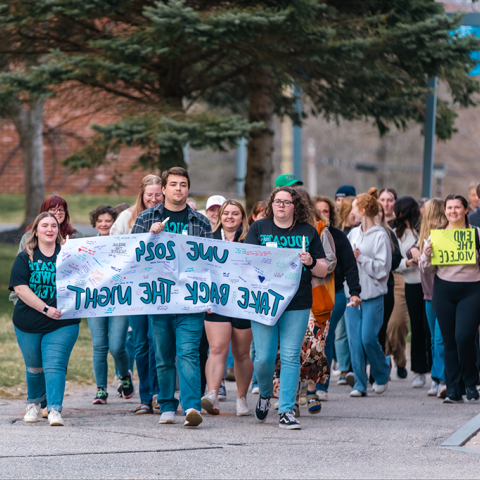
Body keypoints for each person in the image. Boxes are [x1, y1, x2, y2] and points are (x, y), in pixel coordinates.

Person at [132, 166, 212, 427]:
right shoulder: (146, 218)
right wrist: (148, 237)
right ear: (163, 189)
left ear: (188, 189)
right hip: (159, 299)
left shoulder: (200, 222)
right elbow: (131, 257)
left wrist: (210, 295)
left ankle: (191, 407)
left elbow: (211, 262)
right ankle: (167, 404)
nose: (179, 189)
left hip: (191, 300)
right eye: (174, 184)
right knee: (164, 355)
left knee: (188, 353)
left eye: (183, 185)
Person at [244, 186, 328, 430]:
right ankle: (265, 394)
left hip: (297, 301)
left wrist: (311, 261)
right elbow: (246, 261)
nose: (281, 205)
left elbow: (323, 269)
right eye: (277, 201)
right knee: (264, 358)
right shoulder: (260, 228)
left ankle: (286, 411)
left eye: (286, 202)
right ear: (272, 205)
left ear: (295, 206)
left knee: (291, 356)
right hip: (264, 302)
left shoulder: (308, 232)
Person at [9, 213, 80, 426]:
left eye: (54, 226)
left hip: (63, 322)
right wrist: (46, 308)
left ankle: (55, 409)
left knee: (55, 365)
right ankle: (34, 404)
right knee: (34, 367)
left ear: (59, 230)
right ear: (36, 231)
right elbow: (21, 289)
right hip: (28, 322)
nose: (49, 229)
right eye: (45, 226)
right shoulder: (25, 257)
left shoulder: (69, 255)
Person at [110, 174, 163, 415]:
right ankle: (144, 397)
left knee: (157, 342)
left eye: (158, 195)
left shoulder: (170, 215)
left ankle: (158, 394)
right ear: (141, 194)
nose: (153, 199)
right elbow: (111, 249)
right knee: (141, 343)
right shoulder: (126, 218)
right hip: (134, 290)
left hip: (162, 290)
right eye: (149, 195)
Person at [420, 194, 480, 403]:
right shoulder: (437, 236)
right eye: (449, 208)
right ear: (445, 211)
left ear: (465, 210)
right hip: (444, 290)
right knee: (449, 342)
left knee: (464, 337)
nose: (453, 211)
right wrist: (427, 254)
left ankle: (470, 382)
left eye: (457, 207)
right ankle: (453, 388)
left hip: (471, 290)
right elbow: (425, 268)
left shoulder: (476, 234)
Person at [201, 200, 253, 416]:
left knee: (241, 353)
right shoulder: (208, 240)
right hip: (217, 303)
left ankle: (241, 398)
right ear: (220, 216)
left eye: (235, 213)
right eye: (226, 213)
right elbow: (199, 270)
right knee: (216, 349)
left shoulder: (251, 240)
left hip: (243, 303)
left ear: (242, 217)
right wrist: (204, 299)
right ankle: (212, 394)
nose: (230, 217)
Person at [313, 196, 361, 399]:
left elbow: (350, 265)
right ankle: (306, 384)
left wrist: (355, 292)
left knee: (326, 337)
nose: (322, 214)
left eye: (326, 211)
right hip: (310, 294)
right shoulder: (305, 235)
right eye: (318, 211)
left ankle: (322, 386)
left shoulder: (338, 237)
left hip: (335, 293)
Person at [345, 188, 391, 397]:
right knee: (354, 341)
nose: (351, 212)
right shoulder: (353, 233)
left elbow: (383, 269)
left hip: (373, 295)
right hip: (352, 295)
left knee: (368, 339)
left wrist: (361, 258)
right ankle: (360, 384)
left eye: (354, 208)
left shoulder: (381, 236)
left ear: (362, 210)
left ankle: (381, 373)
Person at [87, 205, 135, 405]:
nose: (104, 224)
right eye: (100, 221)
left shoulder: (124, 244)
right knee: (99, 346)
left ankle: (124, 376)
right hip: (95, 301)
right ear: (95, 224)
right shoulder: (87, 246)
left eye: (108, 221)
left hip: (119, 301)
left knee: (116, 346)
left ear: (115, 223)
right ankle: (101, 390)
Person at [9, 195, 84, 305]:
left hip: (67, 297)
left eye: (61, 210)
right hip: (36, 292)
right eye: (53, 209)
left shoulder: (76, 236)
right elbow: (21, 267)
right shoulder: (30, 235)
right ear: (45, 212)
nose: (57, 213)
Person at [390, 197, 431, 389]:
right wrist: (407, 263)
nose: (395, 214)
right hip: (411, 283)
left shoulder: (423, 230)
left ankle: (434, 369)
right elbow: (393, 263)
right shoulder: (396, 235)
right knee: (417, 327)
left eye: (398, 210)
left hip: (429, 284)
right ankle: (419, 371)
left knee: (429, 325)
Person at [408, 199, 446, 398]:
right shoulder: (423, 237)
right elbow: (411, 250)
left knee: (439, 338)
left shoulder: (444, 235)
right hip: (428, 293)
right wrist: (414, 251)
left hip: (442, 292)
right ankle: (436, 377)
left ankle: (442, 379)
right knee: (433, 338)